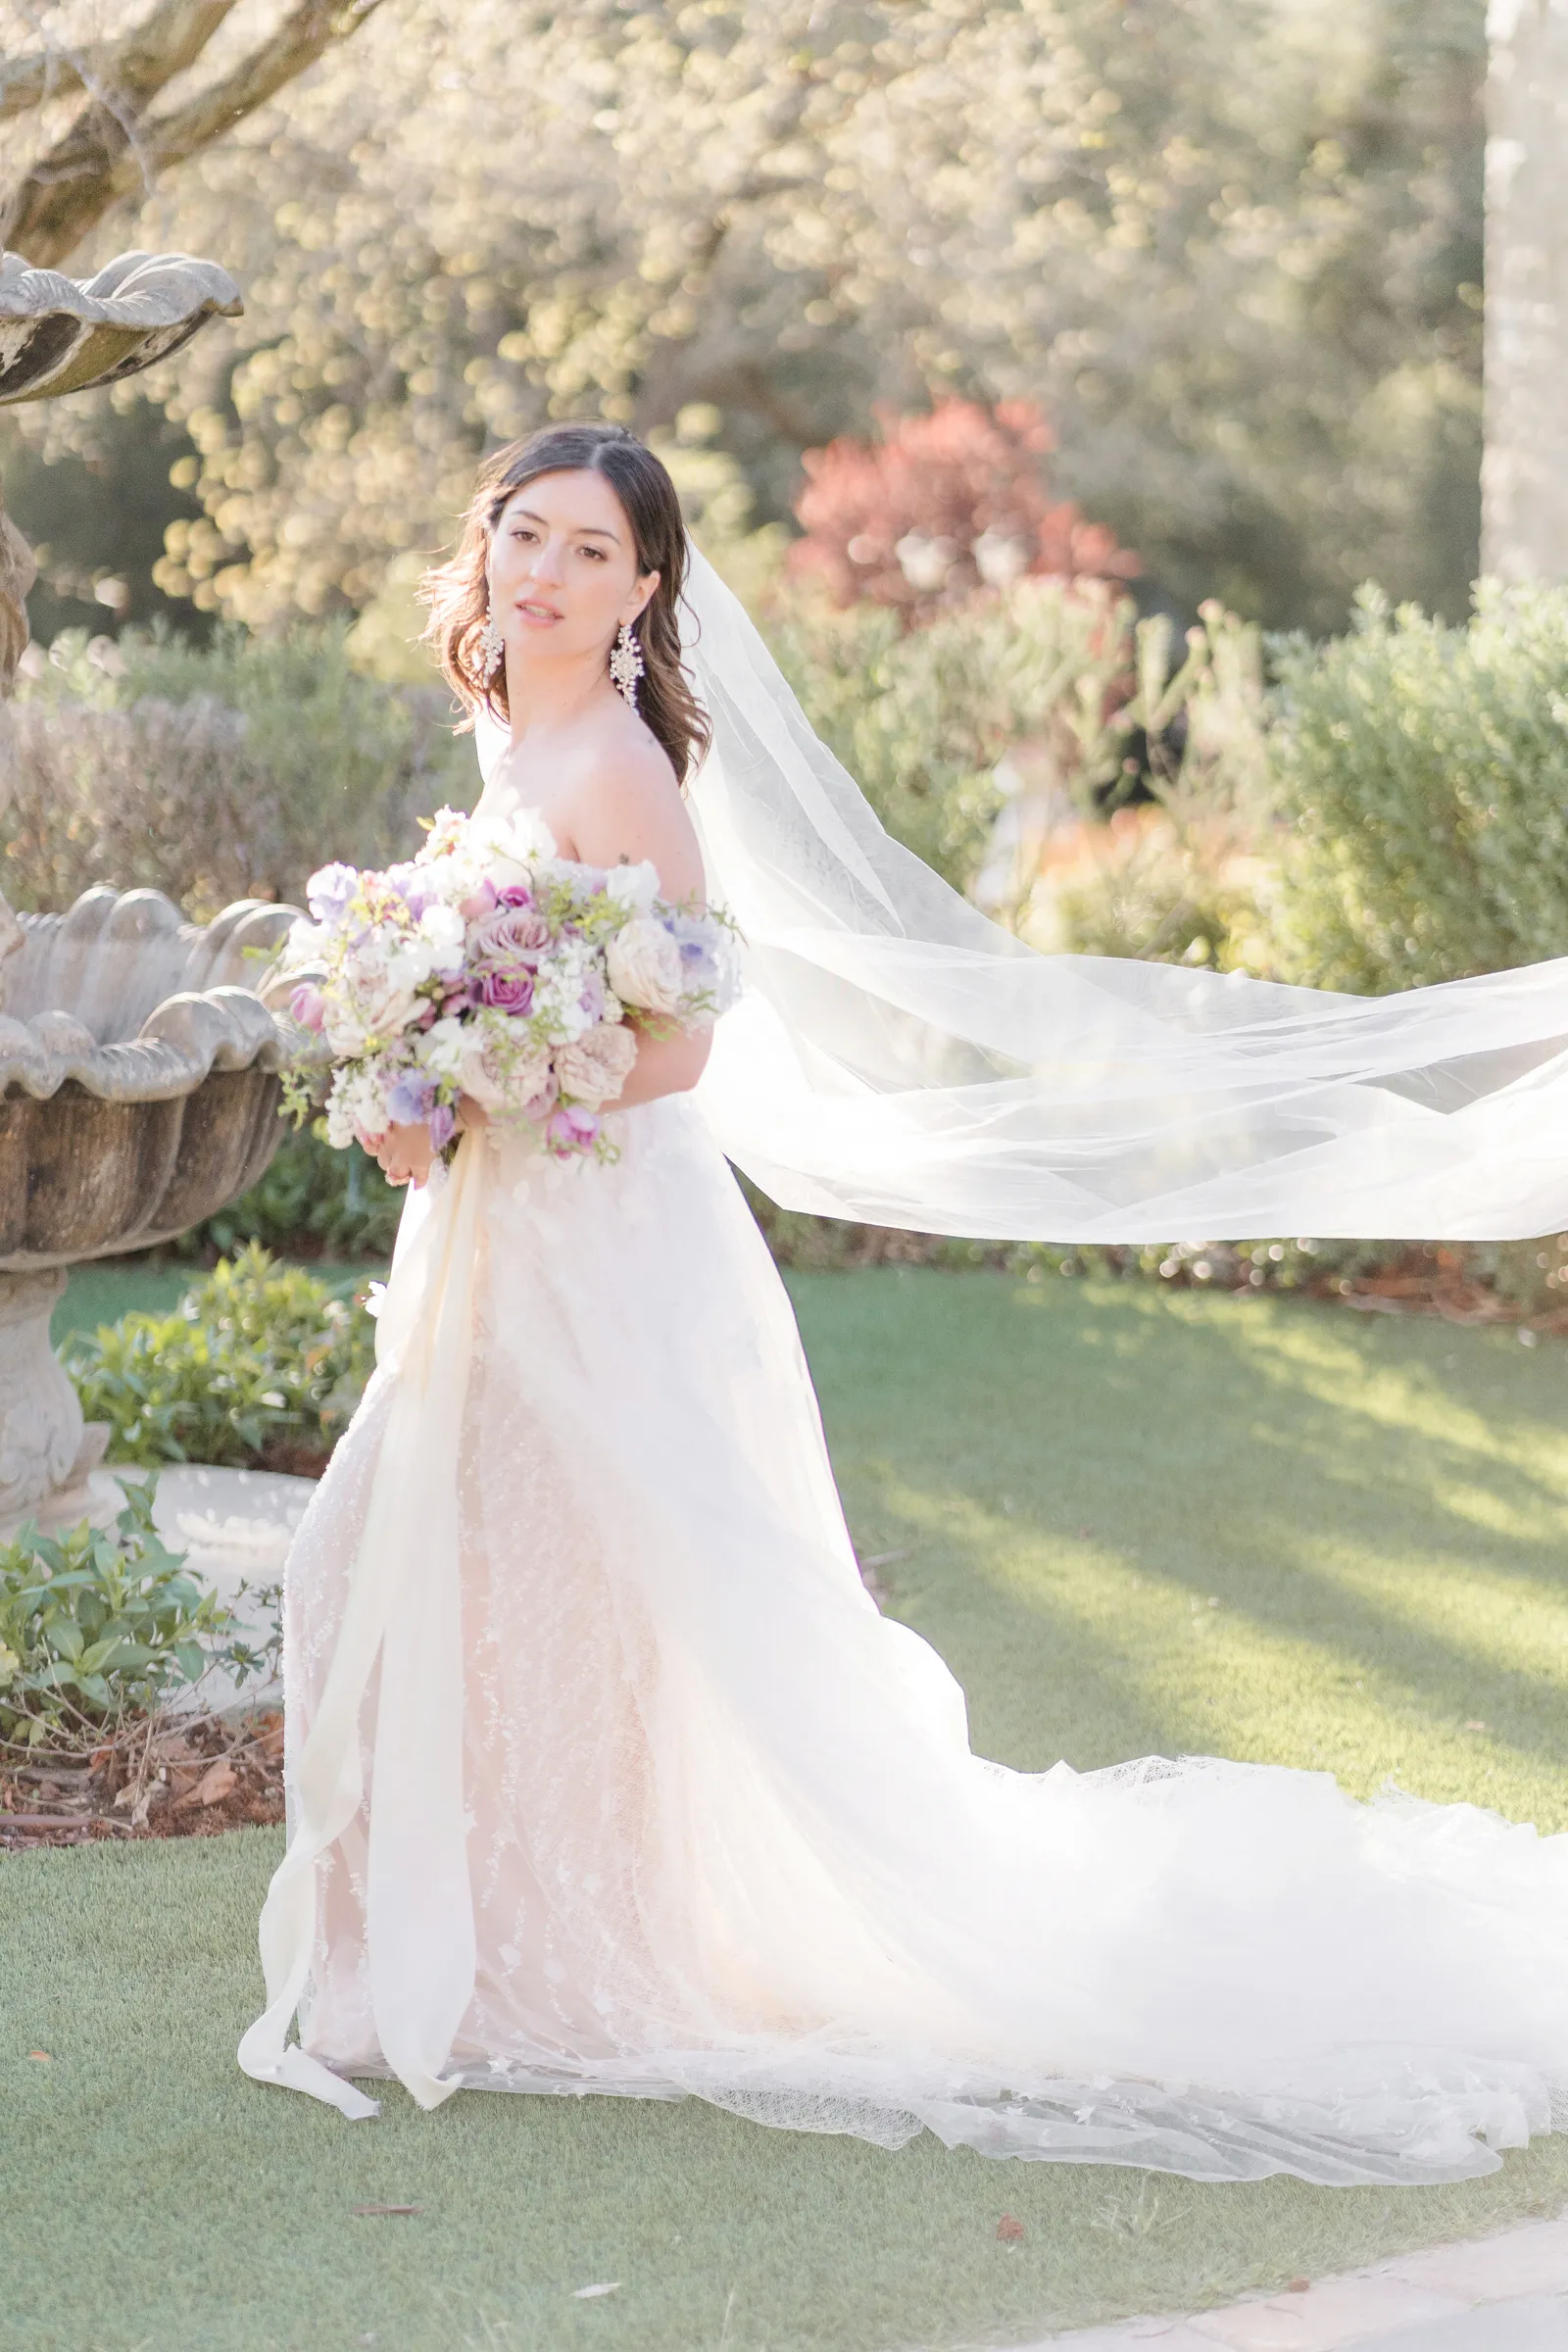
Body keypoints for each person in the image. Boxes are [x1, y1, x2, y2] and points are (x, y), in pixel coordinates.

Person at [241, 423, 1568, 2185]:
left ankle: (556, 1969)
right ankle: (482, 1955)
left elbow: (682, 1045)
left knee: (511, 1580)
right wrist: (423, 1063)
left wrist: (475, 1074)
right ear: (483, 555)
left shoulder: (622, 769)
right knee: (452, 1574)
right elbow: (525, 996)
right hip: (511, 1227)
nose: (541, 572)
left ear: (646, 589)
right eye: (521, 537)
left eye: (584, 550)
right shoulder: (517, 737)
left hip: (600, 1241)